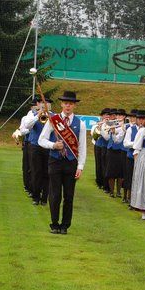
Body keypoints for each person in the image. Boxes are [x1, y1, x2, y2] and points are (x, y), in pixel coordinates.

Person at [38, 91, 86, 235]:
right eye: (65, 103)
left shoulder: (80, 124)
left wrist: (80, 166)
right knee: (55, 194)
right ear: (61, 104)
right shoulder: (53, 120)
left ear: (74, 106)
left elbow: (82, 148)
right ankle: (54, 223)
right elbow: (41, 140)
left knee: (69, 196)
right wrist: (53, 145)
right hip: (55, 161)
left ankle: (65, 225)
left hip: (71, 163)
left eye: (70, 104)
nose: (68, 106)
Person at [23, 96, 53, 205]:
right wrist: (38, 115)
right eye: (41, 103)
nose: (44, 104)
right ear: (38, 105)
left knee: (47, 173)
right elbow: (27, 126)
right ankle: (36, 196)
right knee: (36, 172)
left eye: (46, 103)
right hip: (35, 146)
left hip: (48, 147)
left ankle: (45, 197)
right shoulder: (34, 115)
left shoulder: (53, 116)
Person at [123, 109, 145, 206]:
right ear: (136, 119)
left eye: (143, 119)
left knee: (140, 179)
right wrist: (136, 144)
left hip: (143, 158)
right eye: (139, 119)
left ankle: (137, 200)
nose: (141, 121)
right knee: (129, 177)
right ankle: (128, 197)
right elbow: (125, 143)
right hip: (131, 157)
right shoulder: (130, 129)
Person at [103, 108, 125, 199]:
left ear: (124, 117)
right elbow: (107, 138)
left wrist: (114, 132)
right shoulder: (113, 124)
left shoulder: (124, 127)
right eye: (117, 115)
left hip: (120, 150)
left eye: (120, 115)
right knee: (110, 172)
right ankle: (112, 192)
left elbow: (118, 140)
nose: (118, 117)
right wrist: (103, 129)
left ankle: (119, 192)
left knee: (120, 173)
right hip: (111, 150)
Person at [91, 108, 112, 190]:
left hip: (106, 146)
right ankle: (99, 181)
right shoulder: (97, 124)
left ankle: (105, 183)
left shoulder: (110, 124)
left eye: (108, 115)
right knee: (98, 164)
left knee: (105, 165)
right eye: (105, 114)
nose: (107, 116)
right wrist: (99, 126)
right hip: (98, 146)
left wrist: (104, 126)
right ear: (102, 116)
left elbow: (108, 137)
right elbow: (94, 136)